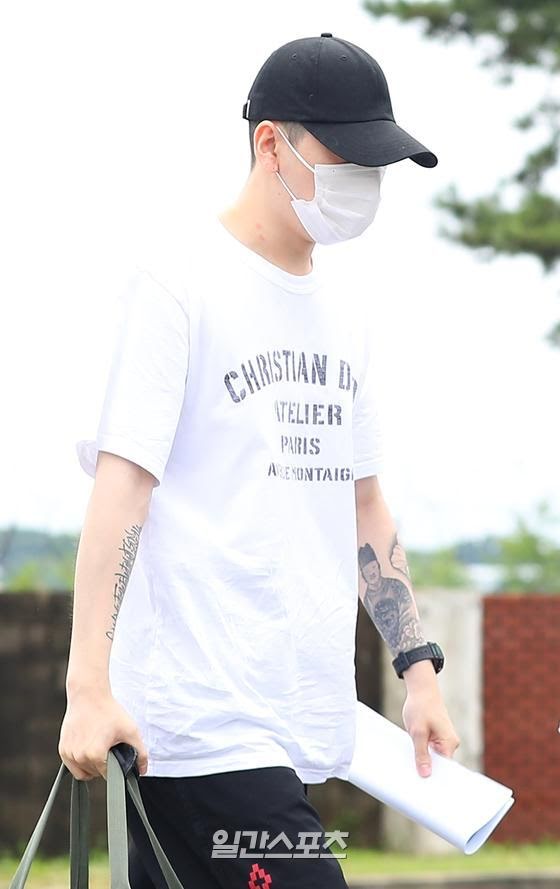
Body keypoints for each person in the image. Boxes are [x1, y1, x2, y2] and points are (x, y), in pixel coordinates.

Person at [58, 32, 460, 889]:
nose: (364, 181)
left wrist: (419, 670)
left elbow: (364, 504)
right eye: (346, 157)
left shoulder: (344, 309)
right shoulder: (177, 282)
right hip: (198, 727)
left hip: (297, 721)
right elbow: (121, 491)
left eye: (377, 163)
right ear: (270, 143)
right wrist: (87, 686)